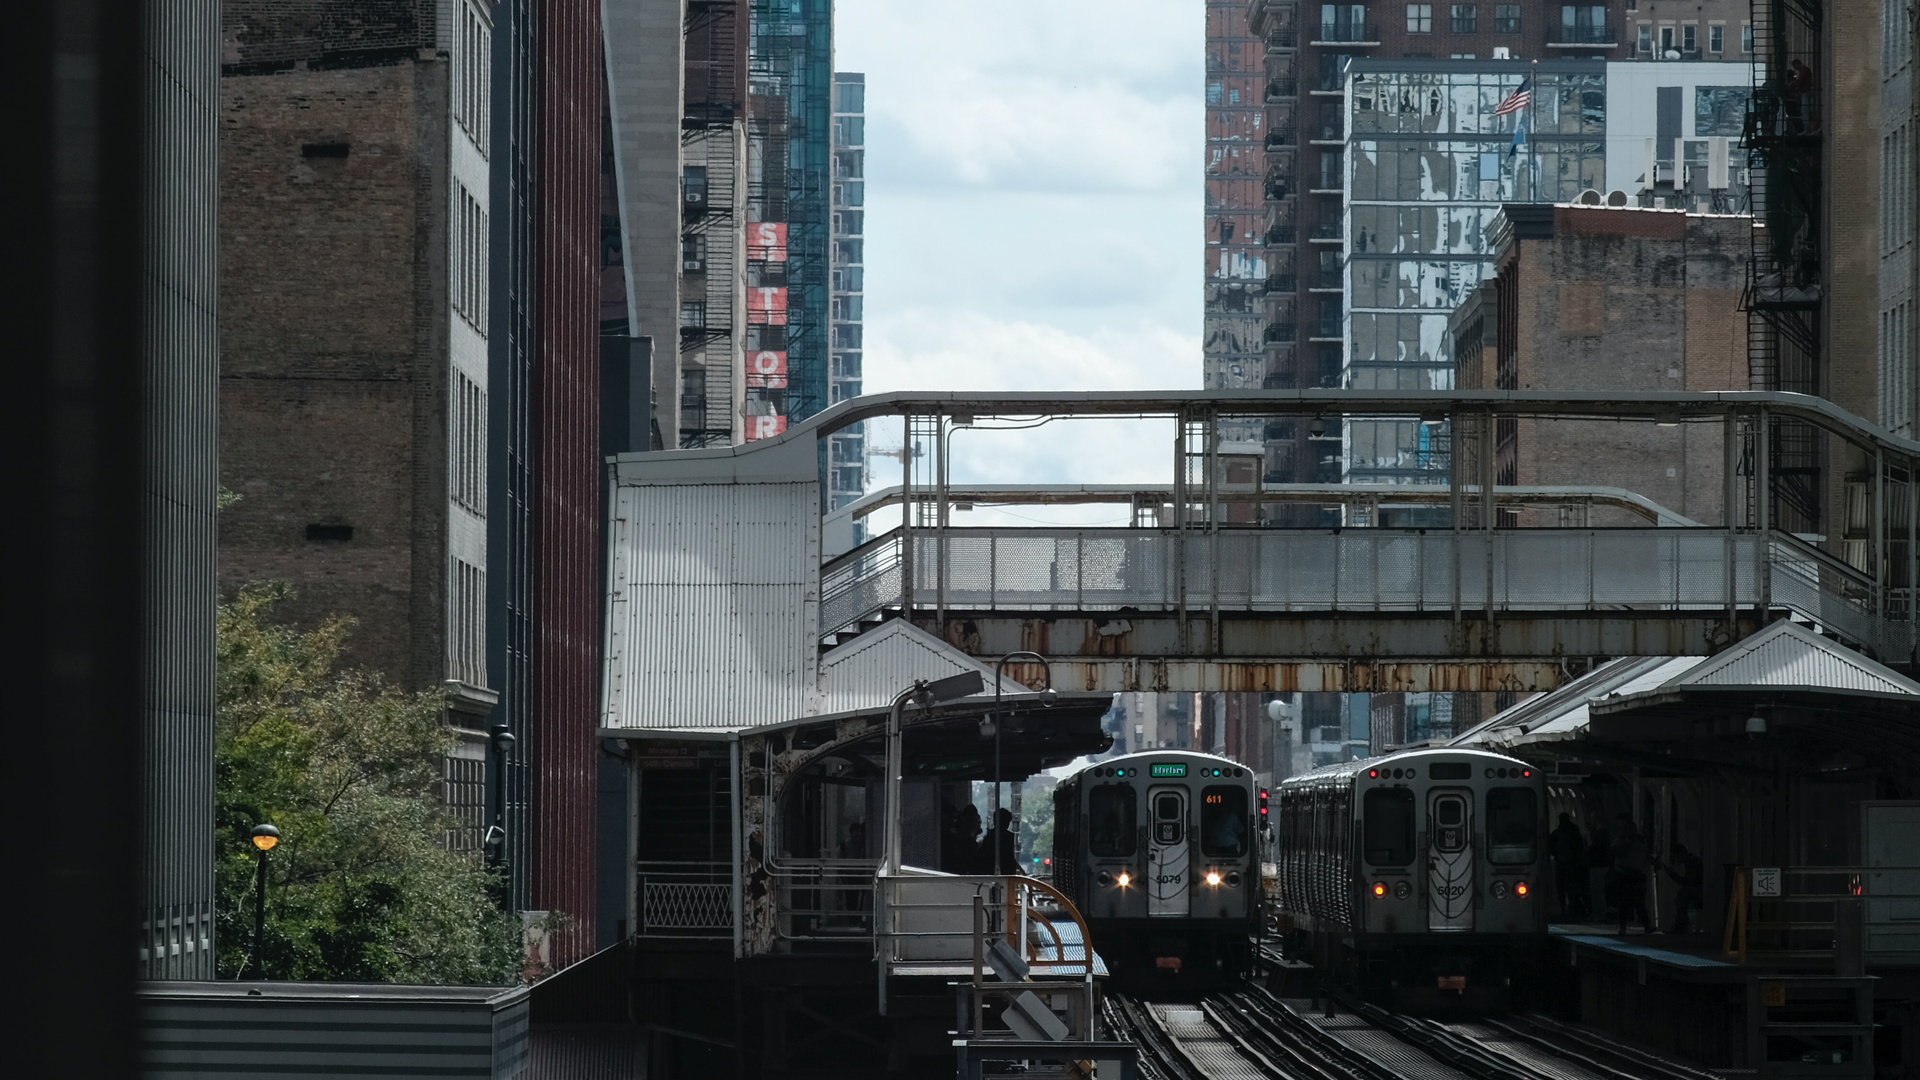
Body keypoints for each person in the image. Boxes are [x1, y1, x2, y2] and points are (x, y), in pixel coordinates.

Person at [1612, 819, 1654, 934]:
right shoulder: (1618, 842)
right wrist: (1627, 844)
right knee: (1623, 902)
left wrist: (1654, 862)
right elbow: (1615, 852)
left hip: (1638, 874)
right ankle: (1623, 927)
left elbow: (1646, 854)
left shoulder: (1641, 843)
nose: (1631, 832)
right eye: (1628, 829)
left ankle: (1646, 925)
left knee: (1640, 901)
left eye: (1633, 829)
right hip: (1623, 874)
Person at [1659, 843, 1704, 934]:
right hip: (1699, 889)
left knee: (1682, 895)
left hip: (1700, 890)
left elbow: (1688, 882)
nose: (1675, 859)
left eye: (1675, 856)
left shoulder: (1693, 862)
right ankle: (1683, 924)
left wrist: (1673, 875)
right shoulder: (1692, 862)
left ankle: (1681, 926)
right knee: (1681, 895)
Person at [1549, 813, 1587, 919]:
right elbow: (1580, 847)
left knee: (1561, 888)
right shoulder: (1574, 832)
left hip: (1561, 864)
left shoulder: (1556, 834)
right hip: (1573, 865)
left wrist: (1557, 855)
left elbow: (1550, 847)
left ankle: (1564, 910)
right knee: (1572, 888)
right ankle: (1572, 910)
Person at [1586, 824, 1613, 923]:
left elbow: (1589, 856)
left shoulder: (1595, 846)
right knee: (1599, 893)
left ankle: (1599, 914)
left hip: (1596, 869)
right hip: (1602, 868)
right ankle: (1600, 914)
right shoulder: (1606, 846)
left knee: (1597, 893)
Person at [981, 807, 1018, 875]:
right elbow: (1009, 856)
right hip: (1004, 870)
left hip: (989, 870)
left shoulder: (989, 836)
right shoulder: (1009, 837)